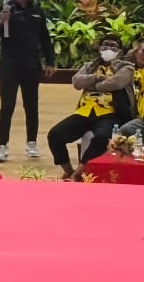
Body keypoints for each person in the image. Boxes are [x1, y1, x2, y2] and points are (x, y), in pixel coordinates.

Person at [46, 34, 135, 180]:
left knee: (102, 137)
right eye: (105, 45)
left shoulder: (126, 67)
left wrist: (94, 84)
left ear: (120, 51)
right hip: (84, 111)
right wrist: (96, 77)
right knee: (55, 135)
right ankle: (68, 170)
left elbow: (117, 83)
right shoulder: (90, 66)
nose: (108, 48)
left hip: (109, 112)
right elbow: (76, 82)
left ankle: (79, 173)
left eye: (113, 46)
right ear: (99, 48)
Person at [0, 0, 55, 162]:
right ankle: (2, 146)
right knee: (7, 106)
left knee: (31, 106)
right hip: (10, 65)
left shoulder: (38, 11)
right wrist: (2, 22)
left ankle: (32, 143)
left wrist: (50, 61)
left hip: (31, 65)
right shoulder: (3, 9)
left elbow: (45, 38)